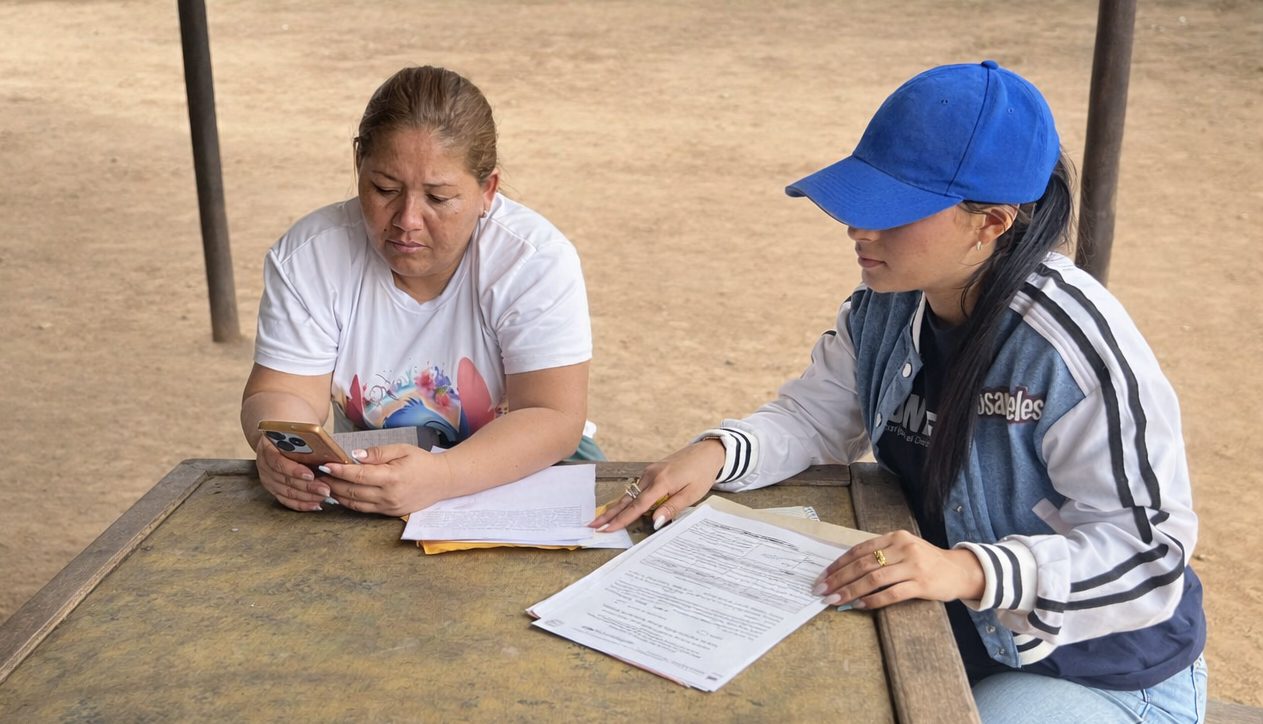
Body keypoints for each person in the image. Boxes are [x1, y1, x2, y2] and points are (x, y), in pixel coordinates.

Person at [592, 61, 1206, 722]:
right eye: (861, 199)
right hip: (950, 635)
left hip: (1103, 676)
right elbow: (812, 418)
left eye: (893, 210)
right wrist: (718, 453)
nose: (859, 229)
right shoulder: (886, 304)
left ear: (991, 223)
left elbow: (1149, 557)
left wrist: (968, 570)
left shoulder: (1067, 348)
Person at [241, 65, 599, 518]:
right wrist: (281, 447)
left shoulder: (531, 261)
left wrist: (443, 476)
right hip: (373, 483)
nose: (407, 220)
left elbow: (552, 415)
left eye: (438, 197)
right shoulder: (311, 256)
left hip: (532, 475)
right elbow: (282, 389)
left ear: (487, 190)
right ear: (358, 166)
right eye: (384, 188)